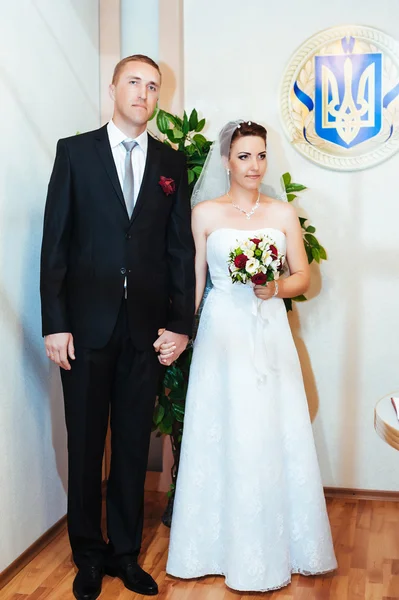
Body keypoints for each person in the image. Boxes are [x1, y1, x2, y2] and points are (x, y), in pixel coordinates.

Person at [40, 54, 195, 600]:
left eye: (153, 87)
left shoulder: (172, 163)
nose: (144, 93)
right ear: (113, 88)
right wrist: (54, 324)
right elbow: (55, 244)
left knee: (131, 445)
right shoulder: (75, 152)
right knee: (85, 445)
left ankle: (126, 553)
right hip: (84, 329)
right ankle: (87, 553)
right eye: (134, 82)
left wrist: (180, 325)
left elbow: (180, 251)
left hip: (145, 332)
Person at [164, 120, 337, 592]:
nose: (254, 165)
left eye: (260, 155)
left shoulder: (283, 214)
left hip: (269, 329)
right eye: (244, 156)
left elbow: (303, 277)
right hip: (223, 334)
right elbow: (195, 284)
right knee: (224, 429)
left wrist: (275, 287)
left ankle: (277, 547)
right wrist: (181, 333)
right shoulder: (204, 213)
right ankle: (213, 547)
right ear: (226, 161)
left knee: (268, 429)